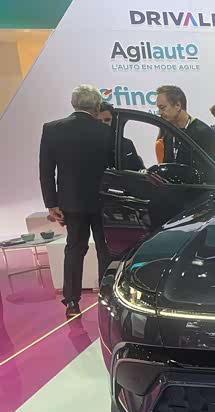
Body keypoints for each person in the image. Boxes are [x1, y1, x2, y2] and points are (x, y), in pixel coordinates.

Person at [39, 84, 113, 318]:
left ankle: (72, 302)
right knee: (105, 249)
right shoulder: (106, 131)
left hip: (71, 202)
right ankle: (107, 298)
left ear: (73, 104)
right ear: (97, 106)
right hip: (104, 201)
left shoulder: (52, 129)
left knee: (74, 249)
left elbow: (46, 171)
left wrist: (51, 204)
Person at [155, 85, 215, 177]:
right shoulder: (168, 133)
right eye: (159, 108)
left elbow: (210, 174)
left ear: (178, 105)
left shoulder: (203, 132)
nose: (160, 113)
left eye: (162, 108)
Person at [97, 102, 144, 171]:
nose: (103, 123)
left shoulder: (126, 144)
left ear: (114, 121)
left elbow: (139, 169)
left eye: (107, 120)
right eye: (99, 121)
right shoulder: (89, 145)